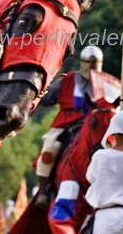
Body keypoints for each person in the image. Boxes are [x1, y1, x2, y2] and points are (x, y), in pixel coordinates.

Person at [33, 45, 104, 207]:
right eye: (89, 63)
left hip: (95, 126)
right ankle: (44, 190)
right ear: (83, 63)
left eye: (95, 63)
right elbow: (46, 99)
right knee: (49, 148)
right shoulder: (67, 81)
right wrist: (43, 87)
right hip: (67, 125)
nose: (92, 68)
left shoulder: (106, 83)